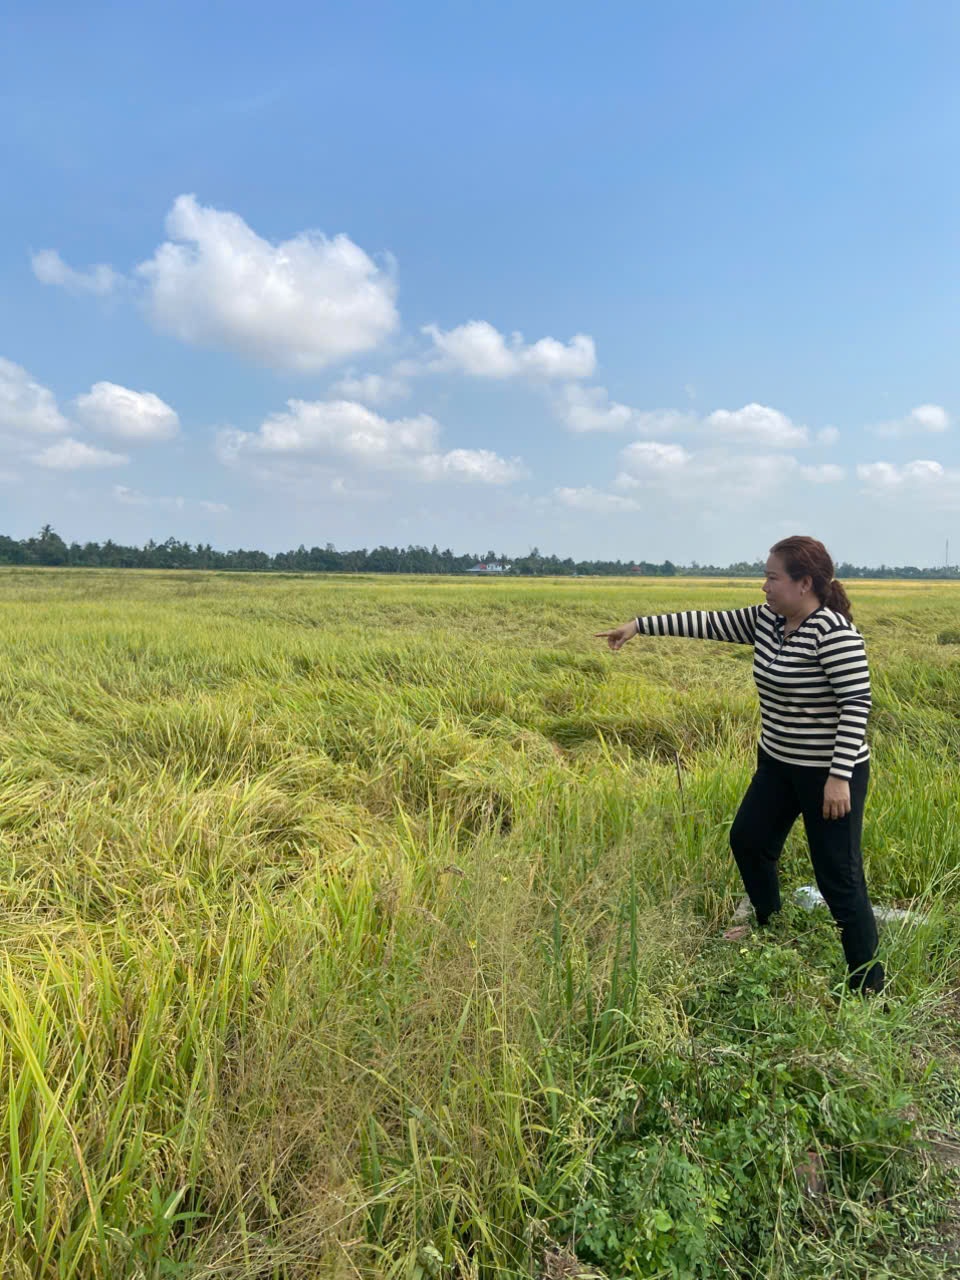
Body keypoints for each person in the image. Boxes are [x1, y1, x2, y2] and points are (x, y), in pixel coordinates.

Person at [596, 535, 884, 994]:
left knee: (839, 877)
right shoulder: (767, 620)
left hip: (829, 772)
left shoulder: (835, 634)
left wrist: (838, 777)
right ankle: (769, 926)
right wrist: (638, 625)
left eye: (772, 577)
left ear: (804, 583)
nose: (764, 585)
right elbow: (707, 621)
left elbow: (856, 704)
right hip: (778, 762)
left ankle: (867, 987)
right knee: (748, 840)